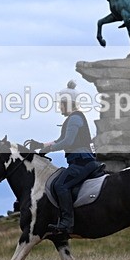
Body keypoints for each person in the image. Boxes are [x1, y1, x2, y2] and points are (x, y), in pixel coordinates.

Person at [26, 81, 99, 236]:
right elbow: (60, 140)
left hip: (81, 162)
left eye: (61, 103)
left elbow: (67, 142)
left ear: (68, 103)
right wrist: (41, 145)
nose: (59, 107)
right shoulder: (74, 118)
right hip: (81, 161)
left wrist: (49, 149)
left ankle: (67, 223)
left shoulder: (74, 119)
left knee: (60, 185)